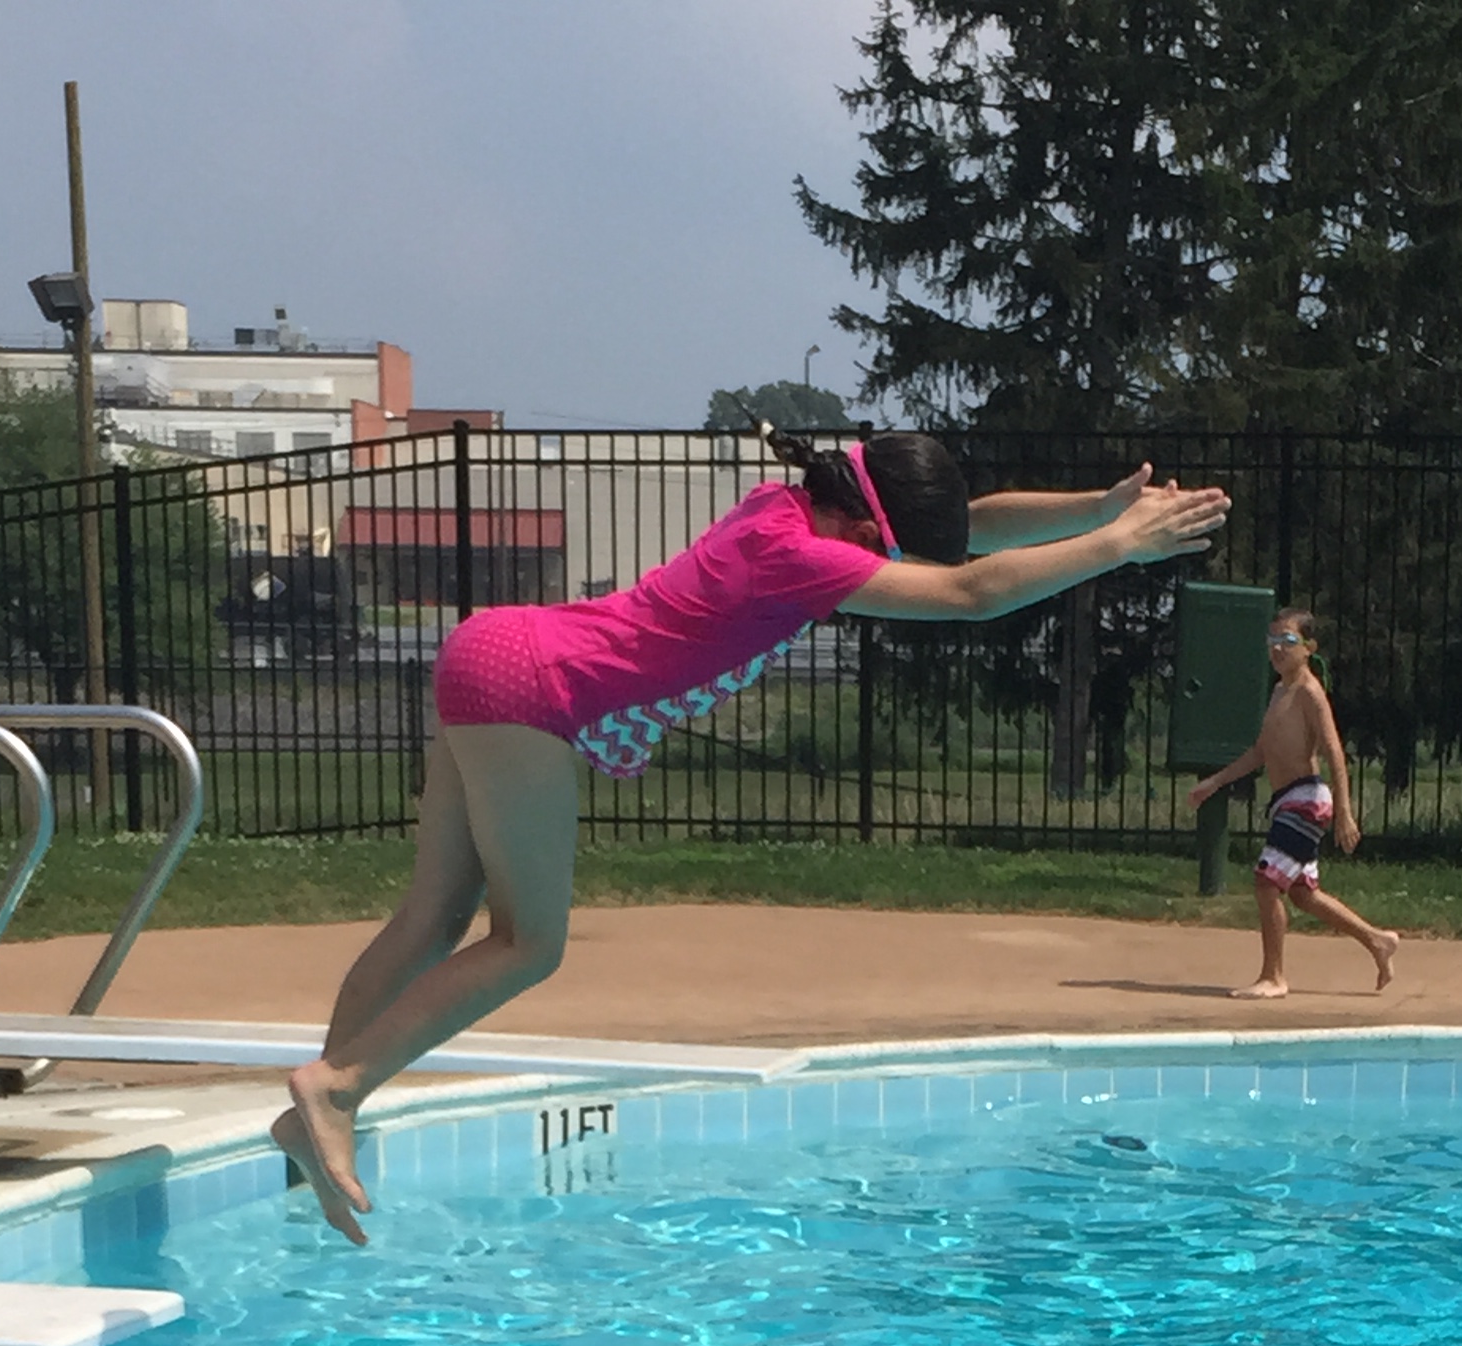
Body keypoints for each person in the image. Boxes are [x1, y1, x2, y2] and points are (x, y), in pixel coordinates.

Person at [274, 434, 1231, 1237]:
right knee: (530, 943)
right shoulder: (804, 559)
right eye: (890, 552)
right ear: (868, 531)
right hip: (538, 692)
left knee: (433, 916)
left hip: (492, 646)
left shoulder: (784, 505)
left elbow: (970, 527)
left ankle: (314, 1121)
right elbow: (973, 591)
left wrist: (1096, 508)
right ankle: (338, 1087)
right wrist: (1117, 546)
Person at [1186, 609, 1397, 1000]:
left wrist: (1345, 812)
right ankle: (1377, 941)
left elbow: (1334, 750)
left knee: (1267, 881)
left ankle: (1274, 976)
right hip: (1287, 800)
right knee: (1302, 893)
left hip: (1306, 800)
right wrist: (1214, 783)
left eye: (1287, 641)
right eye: (1272, 641)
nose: (1277, 649)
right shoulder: (1280, 691)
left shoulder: (1309, 692)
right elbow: (1261, 752)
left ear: (1309, 647)